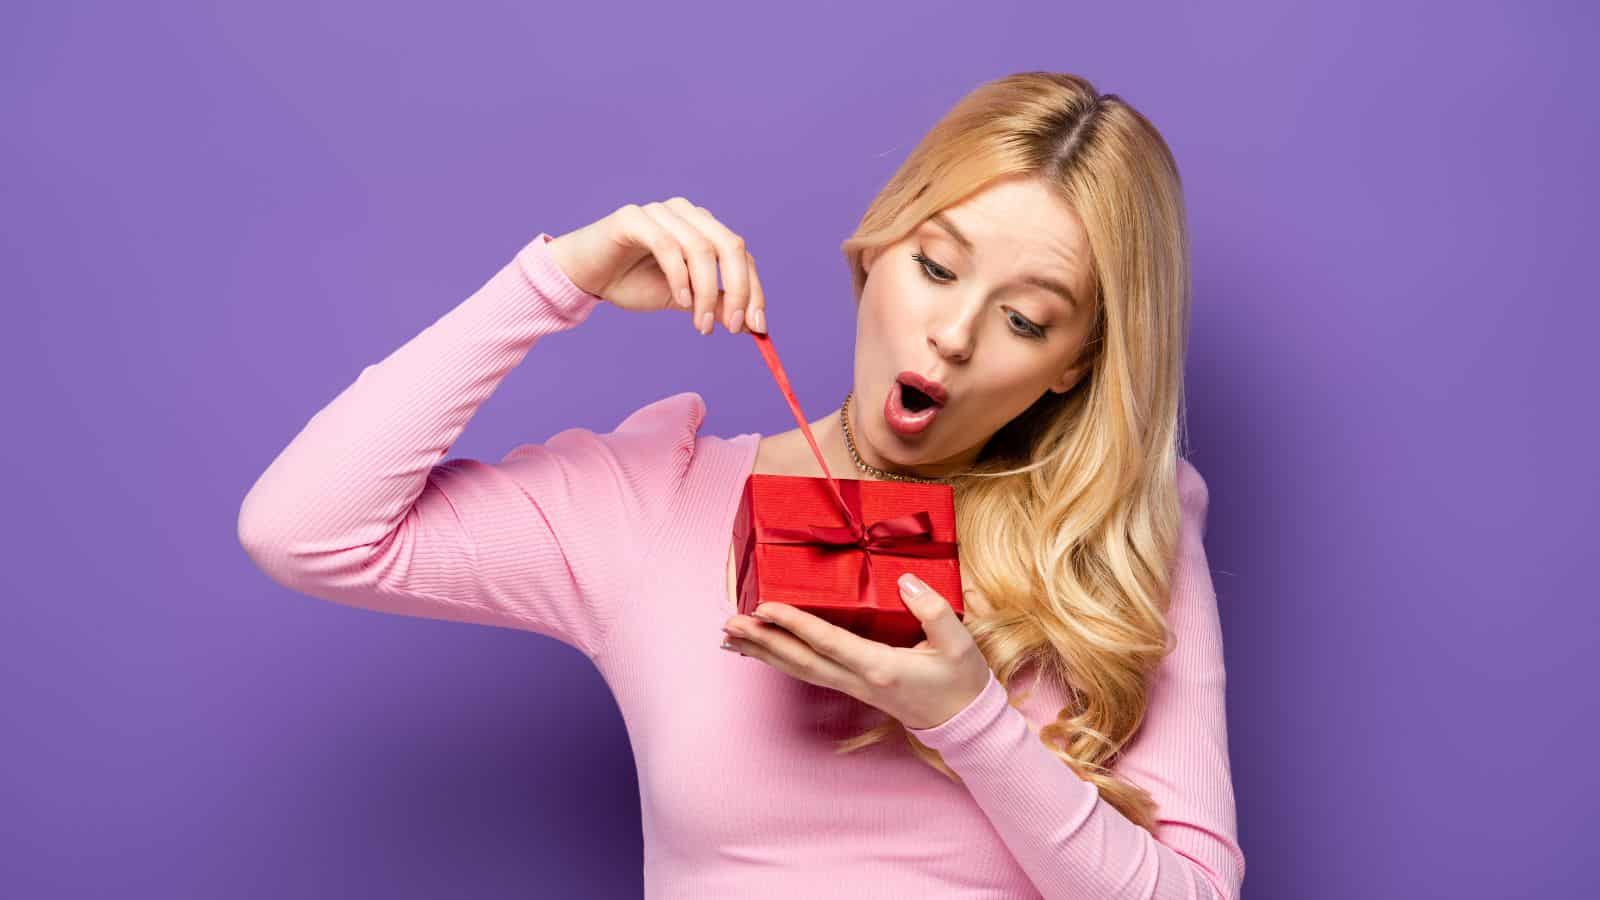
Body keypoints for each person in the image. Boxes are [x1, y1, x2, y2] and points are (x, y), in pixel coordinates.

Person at [238, 70, 1245, 899]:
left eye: (1026, 319)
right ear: (878, 248)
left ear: (1075, 362)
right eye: (936, 268)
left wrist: (964, 715)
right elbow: (303, 531)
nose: (954, 335)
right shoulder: (656, 501)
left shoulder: (1120, 532)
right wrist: (555, 282)